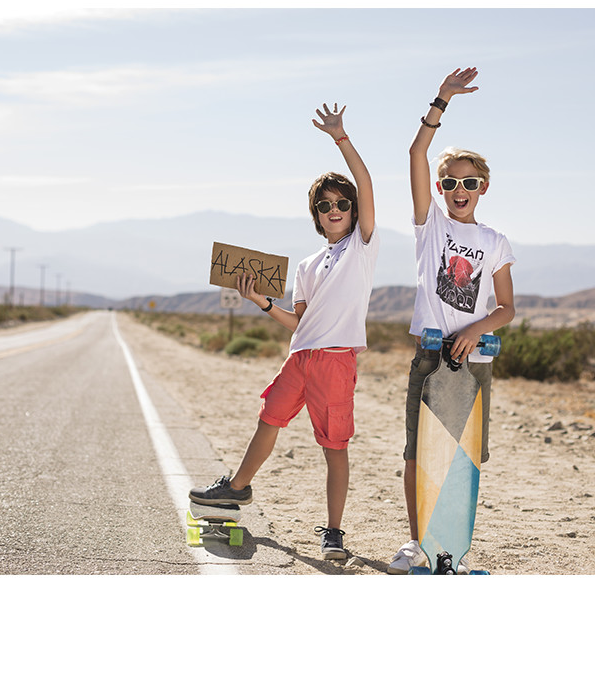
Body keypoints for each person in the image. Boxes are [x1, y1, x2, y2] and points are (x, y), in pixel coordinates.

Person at [189, 102, 379, 561]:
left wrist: (340, 136)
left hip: (336, 360)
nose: (334, 209)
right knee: (269, 418)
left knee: (333, 447)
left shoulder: (363, 246)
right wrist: (260, 302)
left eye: (341, 203)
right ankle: (237, 489)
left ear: (353, 210)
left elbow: (367, 183)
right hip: (300, 356)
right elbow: (299, 321)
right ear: (316, 215)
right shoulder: (309, 265)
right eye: (325, 205)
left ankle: (334, 532)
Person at [387, 67, 516, 574]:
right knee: (418, 454)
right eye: (450, 182)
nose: (458, 189)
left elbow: (506, 307)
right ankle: (419, 542)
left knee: (463, 461)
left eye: (469, 182)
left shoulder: (496, 242)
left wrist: (475, 328)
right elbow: (416, 154)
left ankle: (450, 548)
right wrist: (441, 100)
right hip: (430, 356)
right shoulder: (430, 226)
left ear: (483, 186)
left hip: (474, 360)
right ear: (440, 188)